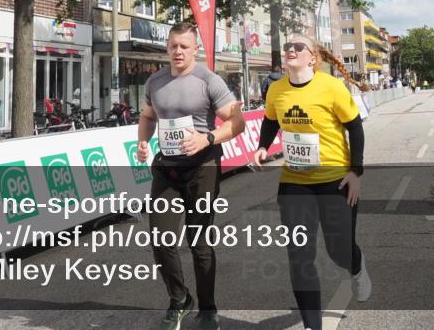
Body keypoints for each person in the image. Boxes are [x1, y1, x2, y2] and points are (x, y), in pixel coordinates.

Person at [252, 34, 370, 330]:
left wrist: (356, 172)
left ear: (312, 57)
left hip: (335, 180)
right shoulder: (276, 89)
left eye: (298, 47)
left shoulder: (331, 87)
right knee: (299, 254)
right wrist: (263, 146)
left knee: (339, 251)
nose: (290, 50)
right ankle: (312, 325)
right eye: (288, 47)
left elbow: (355, 128)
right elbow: (270, 120)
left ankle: (356, 267)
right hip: (295, 182)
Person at [136, 22, 245, 330]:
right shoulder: (155, 82)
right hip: (167, 168)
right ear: (167, 48)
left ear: (194, 48)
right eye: (173, 46)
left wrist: (206, 138)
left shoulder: (208, 80)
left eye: (184, 46)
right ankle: (179, 299)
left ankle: (208, 309)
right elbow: (146, 117)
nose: (178, 51)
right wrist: (142, 142)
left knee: (199, 241)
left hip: (202, 168)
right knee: (160, 238)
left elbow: (237, 123)